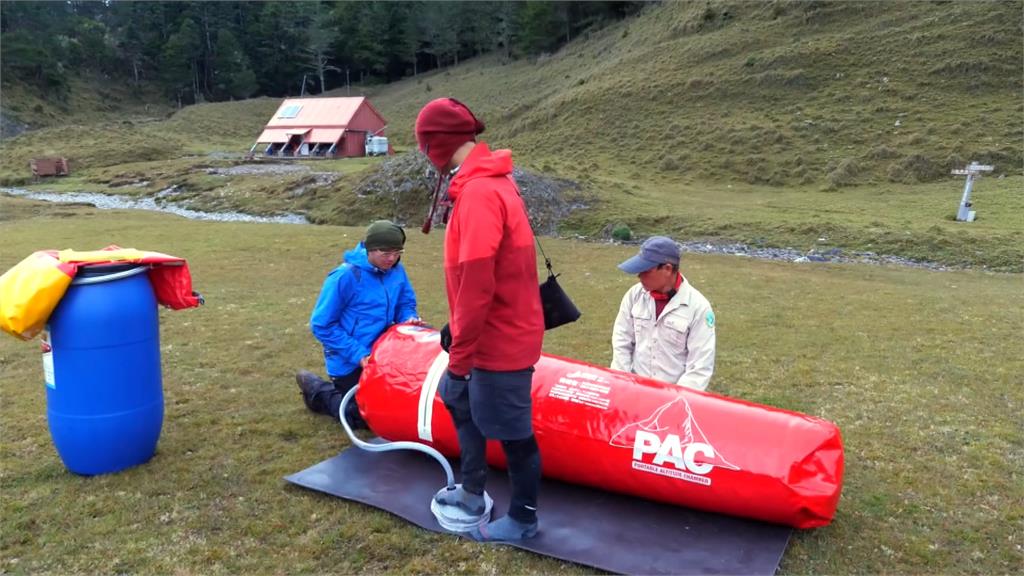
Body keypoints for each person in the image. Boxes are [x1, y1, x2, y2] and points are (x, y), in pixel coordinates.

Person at [415, 97, 545, 541]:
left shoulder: (480, 193)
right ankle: (472, 491)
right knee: (461, 405)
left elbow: (476, 287)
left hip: (501, 341)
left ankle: (523, 520)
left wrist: (460, 361)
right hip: (493, 332)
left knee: (513, 433)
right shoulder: (489, 182)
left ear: (435, 143)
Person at [296, 220, 420, 428]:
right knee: (364, 417)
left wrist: (408, 318)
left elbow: (405, 303)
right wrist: (359, 354)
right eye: (385, 253)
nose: (392, 258)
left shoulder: (396, 271)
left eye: (398, 252)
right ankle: (317, 391)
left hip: (384, 355)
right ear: (369, 249)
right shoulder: (345, 276)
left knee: (403, 406)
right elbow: (321, 325)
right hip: (349, 362)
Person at [611, 236, 716, 391]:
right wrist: (623, 385)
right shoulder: (633, 296)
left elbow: (699, 367)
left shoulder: (699, 308)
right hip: (634, 391)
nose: (639, 275)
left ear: (667, 269)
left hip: (674, 401)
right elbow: (622, 342)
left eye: (645, 270)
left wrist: (674, 402)